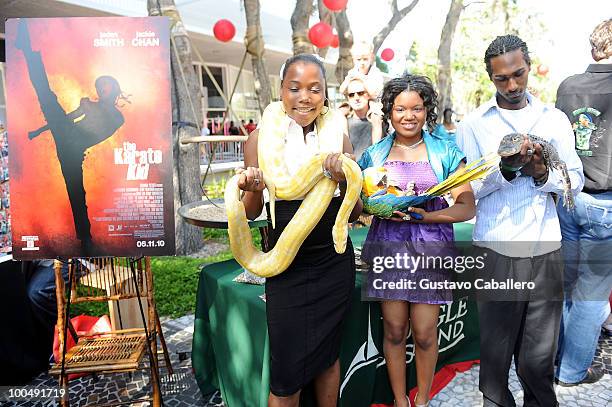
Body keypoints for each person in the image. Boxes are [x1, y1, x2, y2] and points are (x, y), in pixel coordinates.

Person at [456, 34, 584, 406]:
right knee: (495, 364)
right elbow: (467, 193)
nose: (512, 85)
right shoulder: (474, 125)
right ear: (490, 77)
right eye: (502, 79)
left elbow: (574, 179)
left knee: (537, 363)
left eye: (518, 74)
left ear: (528, 67)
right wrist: (507, 170)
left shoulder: (555, 120)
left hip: (546, 249)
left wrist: (543, 173)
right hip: (495, 250)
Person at [237, 54, 363, 407]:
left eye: (314, 89)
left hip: (332, 262)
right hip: (285, 266)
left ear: (325, 94)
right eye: (295, 88)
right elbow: (249, 212)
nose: (304, 97)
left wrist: (344, 179)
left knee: (327, 358)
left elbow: (355, 213)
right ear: (281, 91)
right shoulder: (258, 140)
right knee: (285, 370)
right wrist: (252, 185)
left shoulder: (338, 139)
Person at [359, 74, 475, 407]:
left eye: (417, 108)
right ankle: (399, 400)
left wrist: (428, 216)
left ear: (427, 111)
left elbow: (466, 206)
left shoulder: (445, 151)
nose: (409, 116)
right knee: (394, 331)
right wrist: (366, 204)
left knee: (424, 333)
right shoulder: (374, 155)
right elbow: (361, 204)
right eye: (400, 109)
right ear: (389, 112)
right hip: (389, 247)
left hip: (430, 249)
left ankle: (421, 399)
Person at [16, 18, 126, 254]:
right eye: (100, 86)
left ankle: (85, 238)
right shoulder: (90, 105)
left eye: (106, 86)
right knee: (45, 93)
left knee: (76, 191)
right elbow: (68, 119)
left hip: (74, 149)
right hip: (66, 134)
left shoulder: (117, 117)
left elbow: (99, 132)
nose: (101, 90)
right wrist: (40, 131)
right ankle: (27, 49)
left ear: (115, 89)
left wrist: (82, 129)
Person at [553, 18, 612, 387]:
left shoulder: (568, 86)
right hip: (604, 203)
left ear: (594, 49)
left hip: (567, 197)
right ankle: (572, 371)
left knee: (565, 288)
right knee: (590, 295)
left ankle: (556, 360)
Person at [339, 72, 384, 160]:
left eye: (360, 93)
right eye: (351, 95)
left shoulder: (379, 121)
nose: (356, 98)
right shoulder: (342, 121)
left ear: (368, 95)